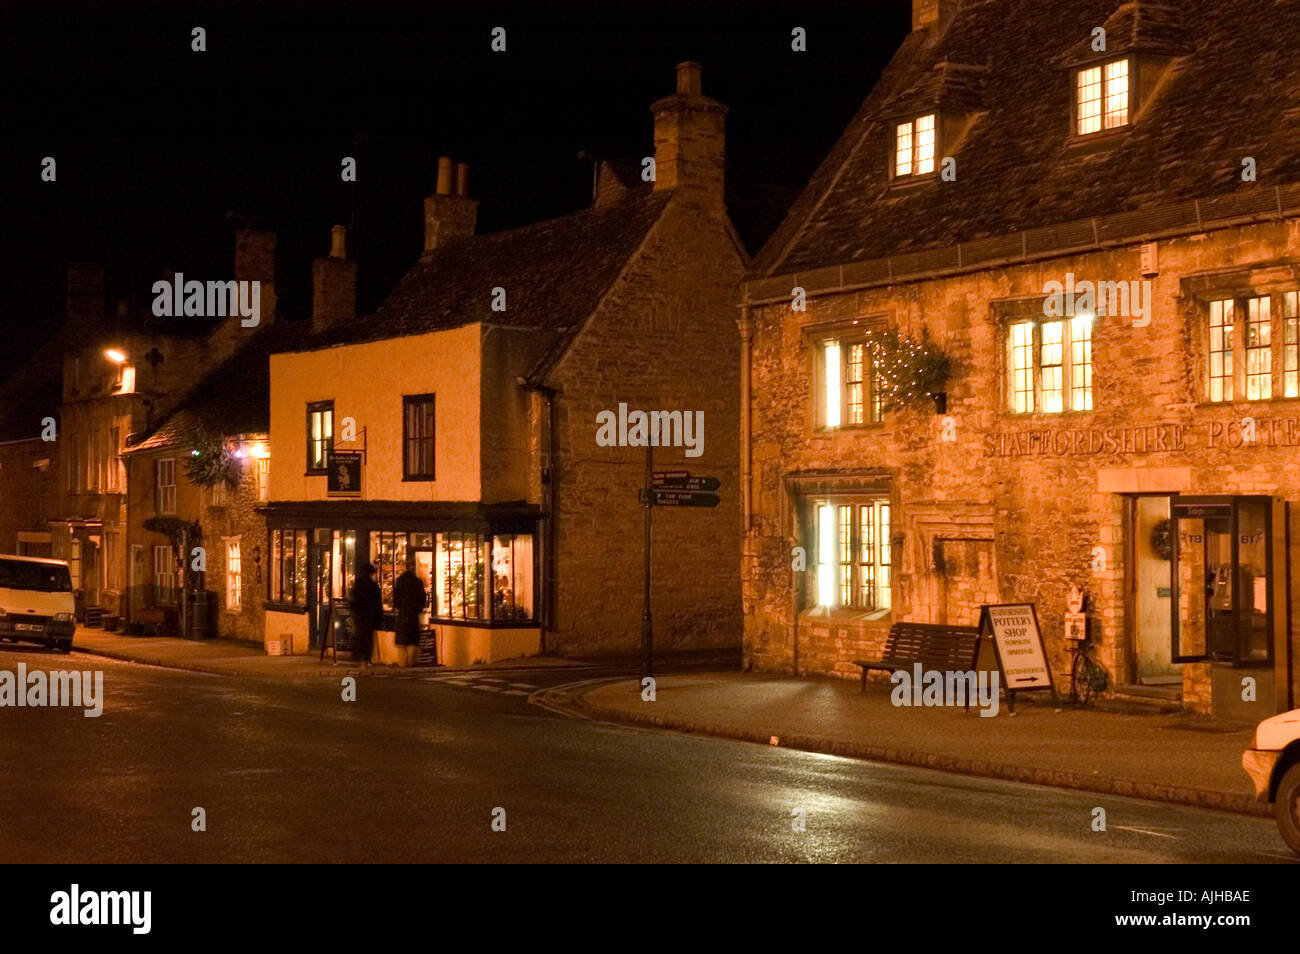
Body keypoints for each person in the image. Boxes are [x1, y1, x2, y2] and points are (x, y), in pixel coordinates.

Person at [393, 555, 428, 667]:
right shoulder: (417, 581)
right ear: (413, 567)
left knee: (402, 641)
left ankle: (403, 663)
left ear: (405, 567)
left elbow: (395, 598)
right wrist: (418, 608)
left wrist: (400, 606)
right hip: (413, 614)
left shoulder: (400, 580)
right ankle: (411, 661)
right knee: (412, 640)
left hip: (403, 613)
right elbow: (422, 598)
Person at [348, 562, 383, 669]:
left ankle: (361, 660)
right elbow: (378, 603)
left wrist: (354, 611)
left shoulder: (358, 585)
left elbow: (352, 601)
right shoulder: (373, 586)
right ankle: (366, 660)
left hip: (360, 615)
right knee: (368, 639)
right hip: (370, 616)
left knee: (360, 637)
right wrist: (379, 618)